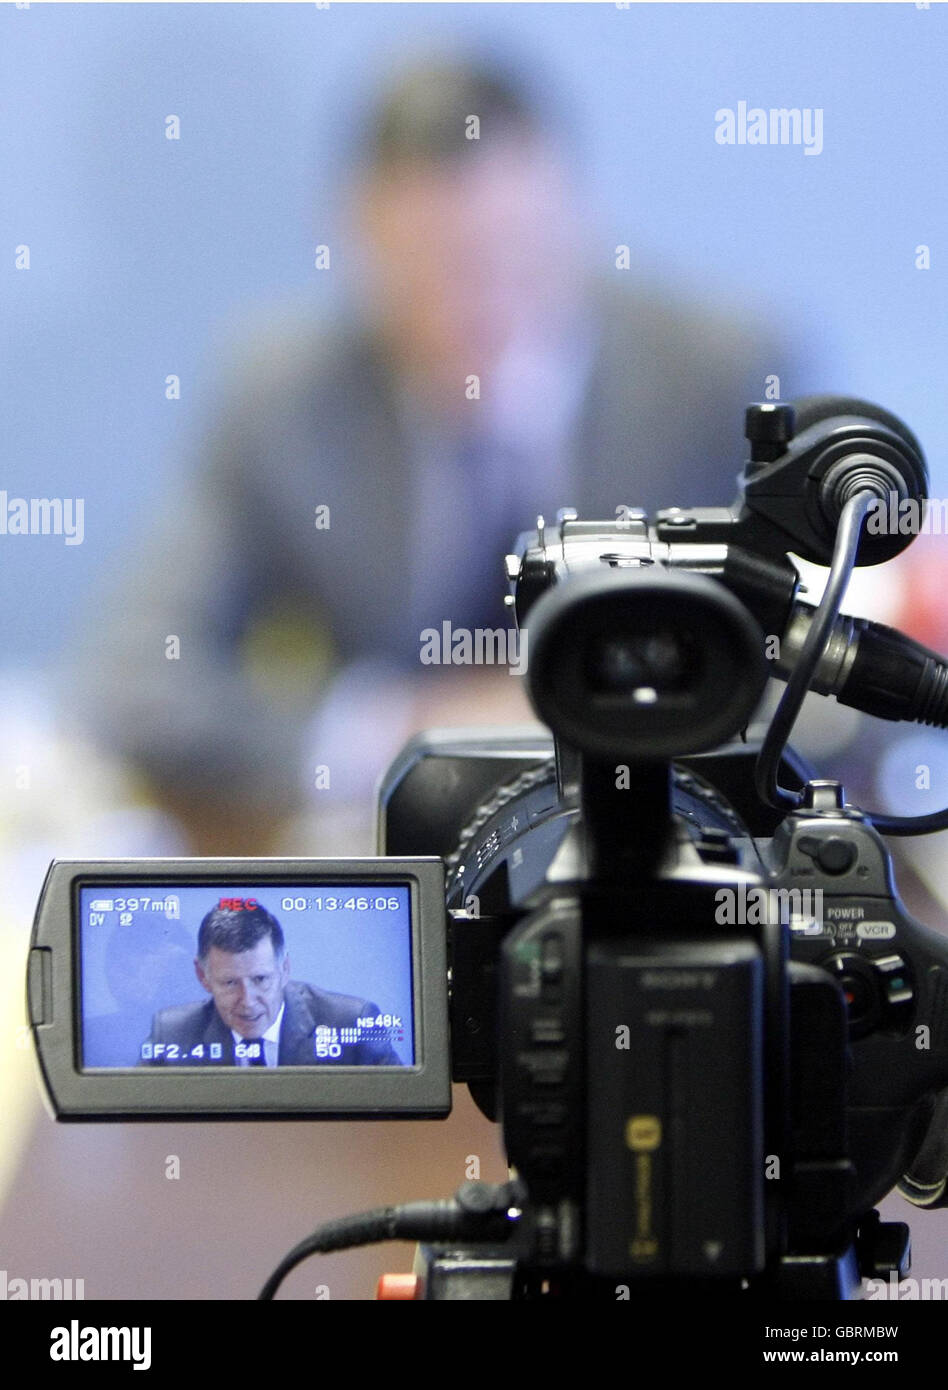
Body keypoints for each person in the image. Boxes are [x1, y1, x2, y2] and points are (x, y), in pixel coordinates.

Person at [70, 57, 810, 855]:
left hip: (661, 845)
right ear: (359, 241)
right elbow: (135, 674)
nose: (479, 306)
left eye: (513, 258)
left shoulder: (719, 374)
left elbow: (831, 669)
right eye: (436, 270)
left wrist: (597, 711)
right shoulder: (283, 399)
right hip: (397, 852)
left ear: (578, 218)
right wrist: (397, 730)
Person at [141, 902, 402, 1066]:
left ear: (284, 969)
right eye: (230, 983)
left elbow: (405, 1121)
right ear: (202, 976)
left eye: (260, 979)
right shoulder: (172, 1033)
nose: (248, 1000)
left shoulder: (351, 1020)